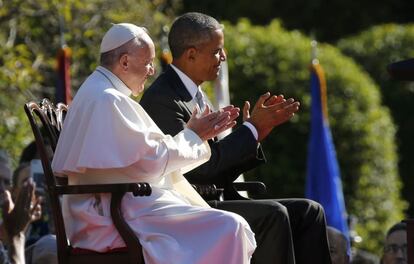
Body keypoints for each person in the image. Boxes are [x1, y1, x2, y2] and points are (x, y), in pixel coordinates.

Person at [51, 23, 256, 263]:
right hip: (116, 216)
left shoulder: (99, 92)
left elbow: (146, 159)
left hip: (119, 206)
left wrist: (194, 134)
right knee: (231, 226)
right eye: (148, 62)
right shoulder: (107, 99)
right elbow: (151, 162)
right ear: (125, 62)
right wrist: (195, 135)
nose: (151, 71)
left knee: (231, 225)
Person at [140, 12, 332, 264]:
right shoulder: (164, 98)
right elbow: (198, 170)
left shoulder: (194, 94)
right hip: (187, 206)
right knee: (274, 214)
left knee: (310, 211)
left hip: (213, 198)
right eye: (217, 51)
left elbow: (216, 167)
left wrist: (255, 134)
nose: (224, 57)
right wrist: (250, 130)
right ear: (191, 54)